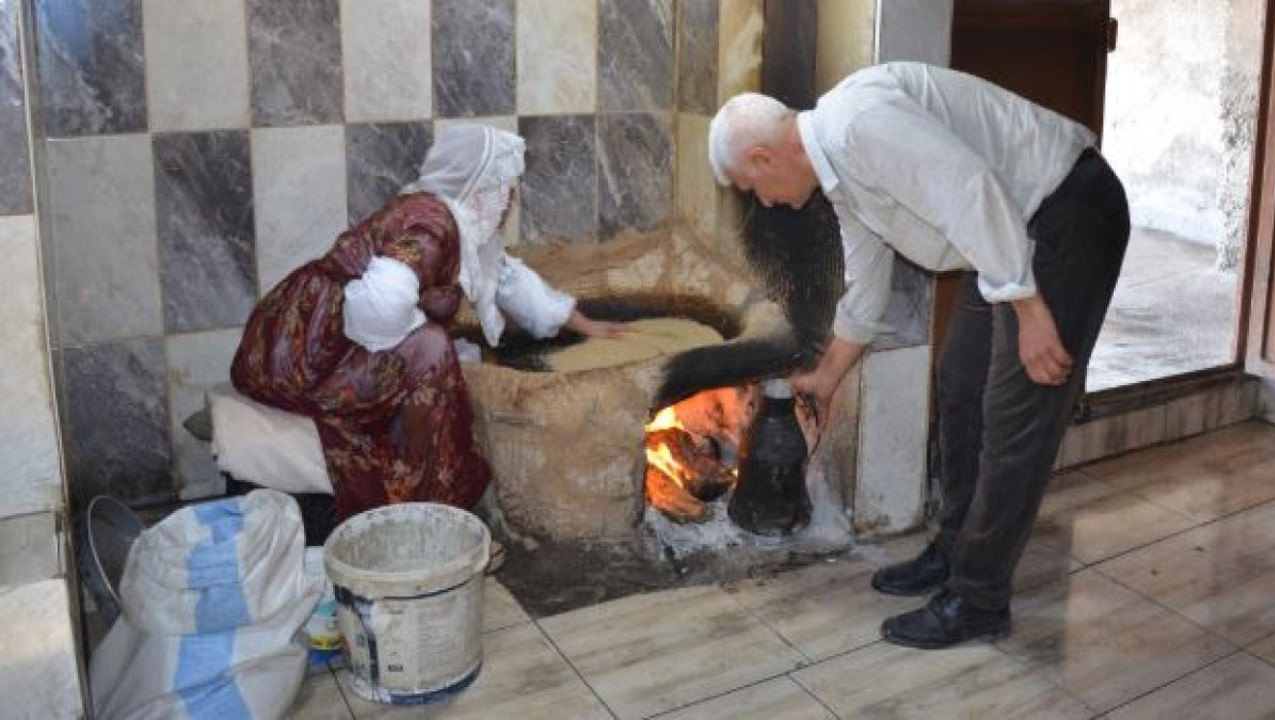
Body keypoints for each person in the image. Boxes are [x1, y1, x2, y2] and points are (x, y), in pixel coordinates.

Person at [708, 62, 1129, 649]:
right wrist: (826, 378)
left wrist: (1030, 311)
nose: (765, 202)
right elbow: (866, 281)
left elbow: (970, 190)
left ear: (762, 157)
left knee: (1017, 413)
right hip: (1005, 232)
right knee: (959, 383)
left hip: (1062, 212)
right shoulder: (840, 170)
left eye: (752, 188)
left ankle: (979, 599)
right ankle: (955, 550)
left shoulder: (858, 125)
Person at [231, 124, 626, 522]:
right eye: (505, 188)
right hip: (304, 356)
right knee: (433, 349)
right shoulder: (433, 224)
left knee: (442, 348)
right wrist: (421, 337)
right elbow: (379, 310)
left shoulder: (454, 219)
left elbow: (507, 278)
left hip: (309, 341)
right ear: (479, 188)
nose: (510, 201)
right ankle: (426, 504)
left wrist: (584, 324)